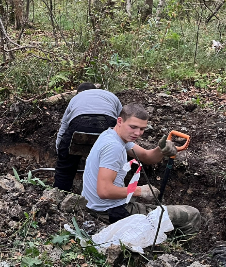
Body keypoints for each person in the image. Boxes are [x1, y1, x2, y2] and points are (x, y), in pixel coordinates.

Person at [82, 103, 201, 235]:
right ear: (120, 121)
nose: (137, 133)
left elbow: (146, 156)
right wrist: (139, 191)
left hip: (97, 206)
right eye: (133, 127)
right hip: (110, 211)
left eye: (142, 129)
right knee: (192, 215)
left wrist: (161, 149)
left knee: (164, 216)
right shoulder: (114, 147)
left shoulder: (112, 135)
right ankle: (174, 246)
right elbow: (104, 191)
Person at [54, 83, 122, 191]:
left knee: (65, 170)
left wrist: (62, 153)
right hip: (107, 122)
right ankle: (111, 193)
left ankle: (59, 194)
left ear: (78, 92)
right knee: (110, 164)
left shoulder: (76, 98)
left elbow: (64, 126)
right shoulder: (110, 95)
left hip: (79, 122)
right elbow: (122, 122)